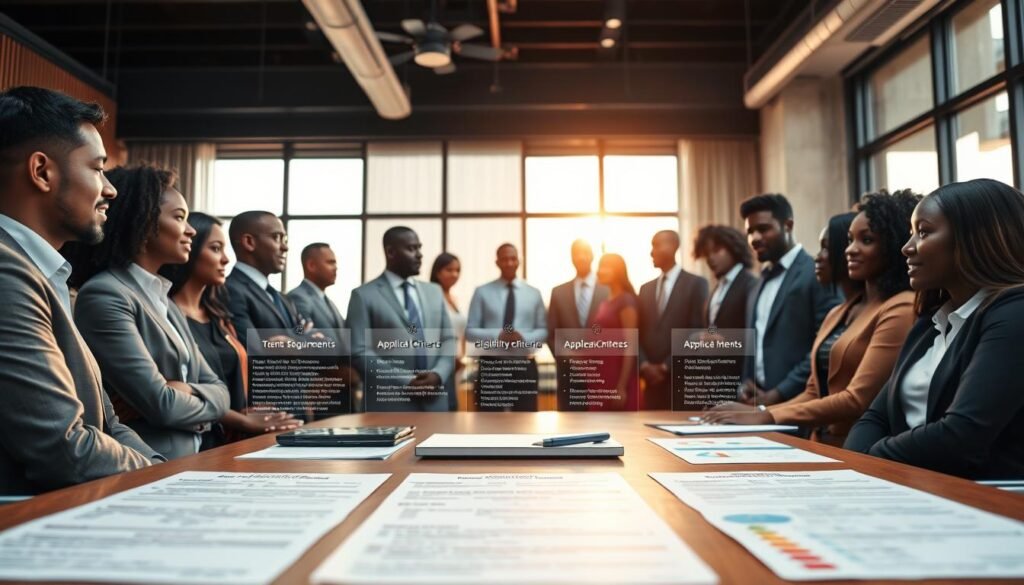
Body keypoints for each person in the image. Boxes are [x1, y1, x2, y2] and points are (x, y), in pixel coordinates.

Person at [0, 86, 161, 495]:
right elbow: (63, 446)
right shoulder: (7, 272)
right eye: (97, 168)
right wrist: (161, 476)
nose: (111, 189)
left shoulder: (46, 273)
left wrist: (162, 470)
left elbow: (107, 423)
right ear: (41, 172)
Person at [706, 193, 919, 446]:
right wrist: (758, 410)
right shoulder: (840, 311)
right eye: (850, 240)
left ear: (892, 245)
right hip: (819, 439)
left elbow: (856, 399)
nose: (850, 250)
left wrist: (767, 414)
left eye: (867, 240)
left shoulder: (901, 308)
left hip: (860, 446)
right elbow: (813, 391)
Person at [846, 179, 1024, 479]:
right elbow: (874, 418)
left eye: (924, 232)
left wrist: (868, 460)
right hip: (917, 489)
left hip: (988, 505)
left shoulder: (1014, 313)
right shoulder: (930, 324)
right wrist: (855, 464)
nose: (907, 247)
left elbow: (961, 434)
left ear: (974, 238)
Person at [72, 165, 230, 460]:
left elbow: (222, 392)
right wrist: (201, 399)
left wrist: (184, 390)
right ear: (144, 222)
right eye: (179, 217)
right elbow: (162, 405)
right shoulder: (106, 294)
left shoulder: (166, 300)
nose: (191, 230)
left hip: (197, 459)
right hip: (152, 463)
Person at [161, 212, 302, 444]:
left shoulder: (219, 316)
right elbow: (175, 392)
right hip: (193, 440)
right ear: (190, 248)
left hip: (233, 437)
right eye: (216, 249)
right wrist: (238, 418)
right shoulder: (166, 314)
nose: (226, 259)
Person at [740, 193, 841, 406]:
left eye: (763, 229)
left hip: (801, 404)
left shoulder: (816, 273)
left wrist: (779, 393)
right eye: (750, 231)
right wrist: (747, 384)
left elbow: (827, 344)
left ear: (788, 225)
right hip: (757, 405)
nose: (755, 238)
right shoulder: (758, 283)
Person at [347, 226, 456, 411]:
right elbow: (359, 352)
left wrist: (437, 375)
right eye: (412, 249)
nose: (420, 255)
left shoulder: (434, 292)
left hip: (435, 405)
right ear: (390, 252)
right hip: (389, 406)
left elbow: (449, 340)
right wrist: (407, 381)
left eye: (419, 248)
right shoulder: (363, 296)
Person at [465, 243, 548, 411]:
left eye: (513, 259)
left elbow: (544, 330)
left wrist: (522, 338)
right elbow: (470, 331)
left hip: (524, 366)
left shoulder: (534, 293)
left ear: (519, 261)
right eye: (504, 259)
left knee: (525, 422)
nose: (509, 263)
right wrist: (498, 335)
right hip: (491, 367)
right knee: (487, 422)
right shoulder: (482, 292)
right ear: (497, 262)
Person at [637, 230, 708, 409]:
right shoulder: (645, 289)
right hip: (651, 384)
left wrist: (666, 366)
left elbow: (696, 331)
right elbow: (637, 332)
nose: (651, 252)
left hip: (682, 382)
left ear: (673, 246)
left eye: (656, 245)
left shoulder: (697, 284)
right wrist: (644, 365)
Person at [225, 210, 305, 342]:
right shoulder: (229, 291)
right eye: (276, 237)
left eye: (284, 239)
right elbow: (253, 351)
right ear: (249, 242)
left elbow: (300, 333)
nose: (285, 247)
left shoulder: (282, 298)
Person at [590, 253, 639, 410]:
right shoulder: (605, 301)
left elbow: (630, 345)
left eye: (604, 267)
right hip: (602, 377)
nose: (599, 271)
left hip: (617, 376)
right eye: (599, 267)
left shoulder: (626, 301)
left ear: (617, 271)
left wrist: (621, 386)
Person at [548, 239, 610, 346]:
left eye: (585, 253)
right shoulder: (558, 293)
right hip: (568, 361)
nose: (581, 257)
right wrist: (570, 356)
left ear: (592, 255)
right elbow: (552, 335)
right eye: (576, 253)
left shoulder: (608, 290)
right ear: (571, 258)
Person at [692, 225, 756, 329]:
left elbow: (755, 332)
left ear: (733, 248)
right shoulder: (717, 288)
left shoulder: (751, 285)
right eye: (707, 253)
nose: (710, 258)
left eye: (716, 250)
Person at [288, 243, 345, 331]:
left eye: (335, 263)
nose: (335, 268)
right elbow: (302, 334)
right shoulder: (298, 298)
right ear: (311, 265)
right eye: (330, 263)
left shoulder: (328, 302)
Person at [430, 252, 466, 372]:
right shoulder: (430, 297)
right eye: (449, 270)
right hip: (438, 363)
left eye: (457, 270)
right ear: (437, 272)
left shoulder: (456, 299)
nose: (454, 274)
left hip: (458, 362)